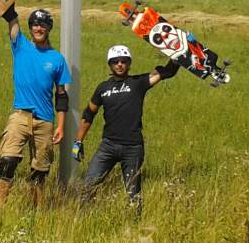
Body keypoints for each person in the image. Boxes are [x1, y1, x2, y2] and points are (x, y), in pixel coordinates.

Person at [71, 44, 179, 212]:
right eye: (115, 61)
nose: (119, 64)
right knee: (87, 186)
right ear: (110, 64)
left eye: (123, 61)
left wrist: (177, 54)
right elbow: (88, 114)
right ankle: (84, 220)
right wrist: (77, 142)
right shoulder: (102, 88)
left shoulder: (139, 83)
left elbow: (167, 72)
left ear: (129, 63)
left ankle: (135, 226)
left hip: (133, 148)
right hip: (108, 146)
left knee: (133, 193)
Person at [0, 4, 71, 207]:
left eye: (43, 25)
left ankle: (35, 211)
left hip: (45, 120)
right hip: (20, 115)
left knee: (40, 171)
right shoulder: (20, 46)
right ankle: (0, 208)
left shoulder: (57, 59)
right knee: (7, 161)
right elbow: (11, 17)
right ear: (30, 27)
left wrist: (61, 126)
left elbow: (61, 96)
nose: (39, 28)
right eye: (35, 24)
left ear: (49, 28)